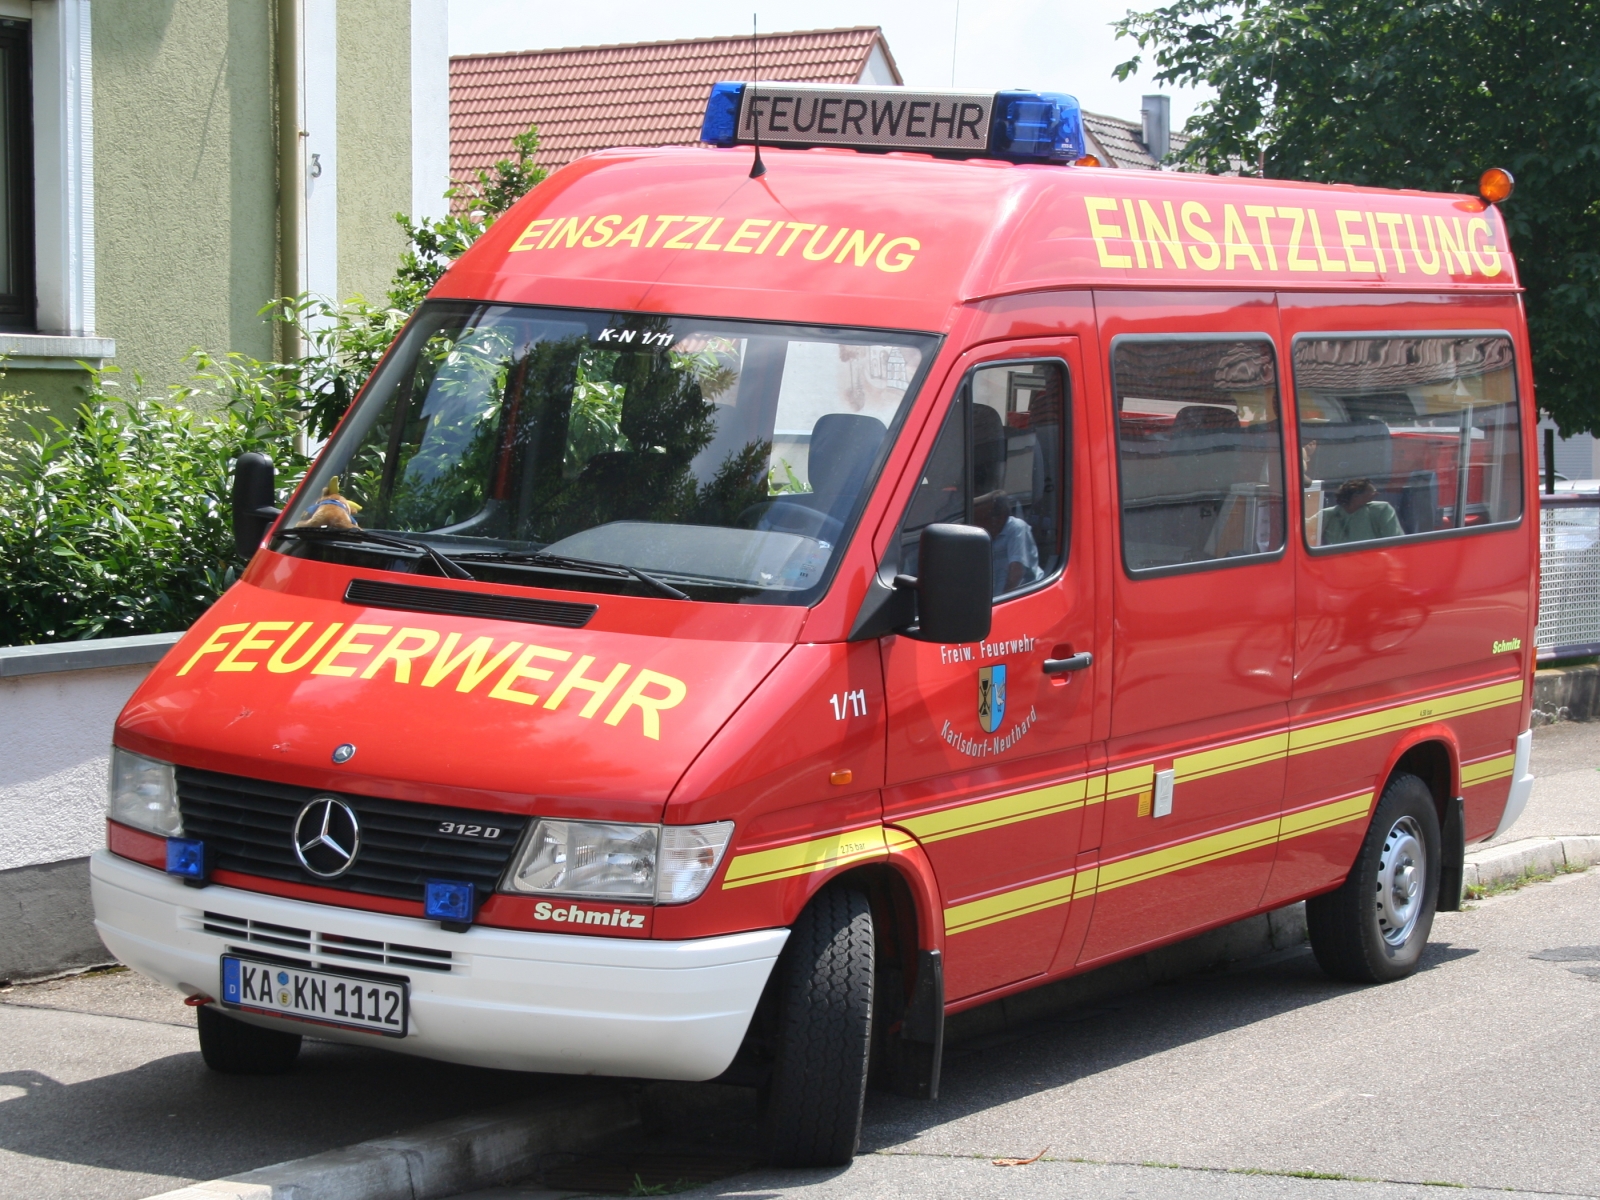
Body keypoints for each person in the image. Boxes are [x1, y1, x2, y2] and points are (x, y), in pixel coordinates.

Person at [975, 490, 1041, 595]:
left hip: (1024, 593)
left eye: (981, 519)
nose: (977, 525)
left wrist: (1000, 604)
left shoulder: (1016, 528)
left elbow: (1016, 574)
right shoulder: (985, 535)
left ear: (999, 518)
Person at [1319, 477, 1403, 545]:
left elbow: (1396, 541)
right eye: (1372, 492)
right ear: (1356, 496)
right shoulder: (1327, 514)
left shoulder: (1382, 509)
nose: (1377, 494)